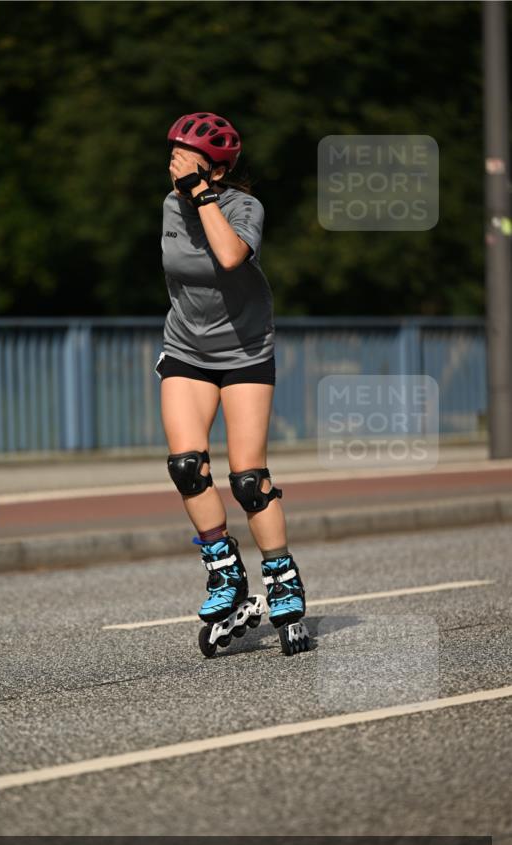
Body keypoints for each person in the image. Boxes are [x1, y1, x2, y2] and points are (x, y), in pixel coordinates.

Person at [158, 111, 306, 637]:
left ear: (214, 170)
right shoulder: (170, 207)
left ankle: (283, 578)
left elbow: (228, 255)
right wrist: (187, 193)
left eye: (185, 154)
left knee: (248, 479)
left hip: (244, 350)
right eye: (171, 150)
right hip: (187, 349)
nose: (173, 161)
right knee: (186, 466)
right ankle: (225, 574)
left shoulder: (244, 206)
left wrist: (202, 193)